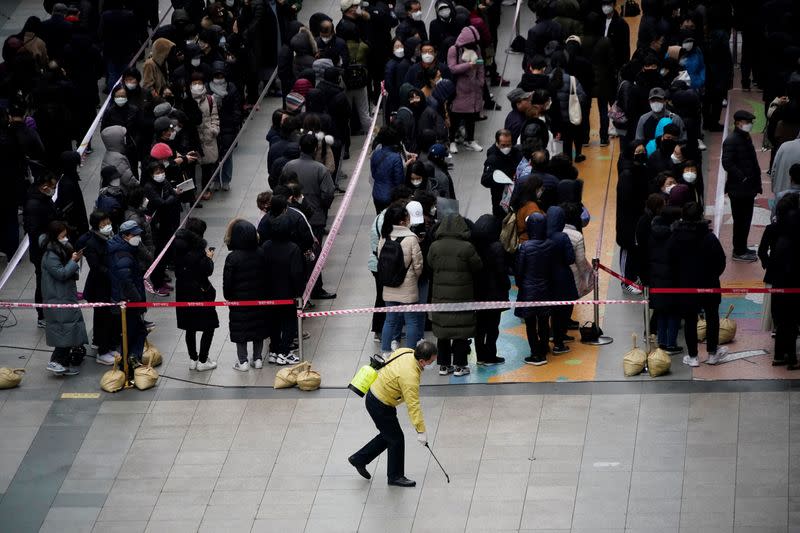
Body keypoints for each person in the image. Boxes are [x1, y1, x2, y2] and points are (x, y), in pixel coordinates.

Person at [348, 341, 438, 487]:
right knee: (396, 438)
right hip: (380, 404)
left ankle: (359, 459)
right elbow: (413, 405)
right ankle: (395, 477)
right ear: (422, 361)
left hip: (377, 395)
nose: (432, 364)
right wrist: (420, 430)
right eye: (431, 361)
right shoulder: (410, 377)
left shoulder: (407, 351)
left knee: (388, 435)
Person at [668, 202, 727, 367]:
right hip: (709, 284)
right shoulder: (709, 238)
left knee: (690, 320)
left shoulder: (675, 237)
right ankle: (712, 353)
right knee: (712, 316)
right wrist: (713, 276)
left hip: (685, 286)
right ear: (701, 216)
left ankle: (693, 356)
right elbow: (721, 261)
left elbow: (670, 260)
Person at [427, 213, 482, 377]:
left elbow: (430, 263)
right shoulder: (467, 247)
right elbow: (478, 266)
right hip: (462, 295)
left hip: (440, 295)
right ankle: (460, 366)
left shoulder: (435, 246)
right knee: (460, 331)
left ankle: (444, 365)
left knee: (443, 330)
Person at [40, 220, 88, 375]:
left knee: (68, 330)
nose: (65, 238)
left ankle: (63, 362)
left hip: (64, 296)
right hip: (58, 298)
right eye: (63, 236)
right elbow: (61, 274)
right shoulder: (50, 255)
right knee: (64, 331)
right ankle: (56, 361)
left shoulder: (60, 249)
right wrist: (73, 261)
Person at [261, 199, 305, 365]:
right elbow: (297, 273)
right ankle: (285, 352)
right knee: (289, 322)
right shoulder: (293, 249)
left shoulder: (265, 246)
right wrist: (299, 292)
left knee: (273, 322)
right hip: (287, 294)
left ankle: (273, 350)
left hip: (269, 292)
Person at [377, 205, 425, 356]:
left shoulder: (384, 237)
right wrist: (414, 278)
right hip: (408, 285)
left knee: (390, 320)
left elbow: (380, 260)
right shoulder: (411, 239)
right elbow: (418, 264)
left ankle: (385, 351)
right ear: (403, 221)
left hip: (389, 285)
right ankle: (408, 353)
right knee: (411, 320)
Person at [223, 219, 270, 371]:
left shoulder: (233, 257)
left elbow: (227, 282)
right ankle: (257, 359)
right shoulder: (261, 252)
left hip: (239, 301)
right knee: (258, 329)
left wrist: (229, 297)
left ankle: (242, 361)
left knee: (241, 331)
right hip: (260, 299)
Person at [173, 218, 219, 372]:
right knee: (209, 326)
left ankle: (193, 358)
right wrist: (209, 258)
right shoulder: (198, 250)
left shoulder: (178, 246)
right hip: (200, 292)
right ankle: (203, 360)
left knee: (189, 327)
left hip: (182, 291)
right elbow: (207, 270)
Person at [76, 211, 118, 365]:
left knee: (109, 317)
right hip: (100, 286)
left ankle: (107, 345)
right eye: (103, 224)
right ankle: (103, 351)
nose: (107, 226)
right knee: (103, 318)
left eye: (108, 222)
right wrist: (113, 272)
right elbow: (96, 267)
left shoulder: (109, 237)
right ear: (96, 226)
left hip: (109, 284)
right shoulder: (93, 243)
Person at [722, 109, 762, 262]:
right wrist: (743, 177)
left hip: (747, 189)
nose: (750, 125)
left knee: (745, 221)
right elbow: (727, 163)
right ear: (738, 123)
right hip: (739, 189)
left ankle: (742, 247)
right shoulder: (732, 140)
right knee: (741, 221)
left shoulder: (745, 137)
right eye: (748, 122)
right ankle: (738, 251)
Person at [515, 212, 554, 366]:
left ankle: (535, 353)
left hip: (528, 291)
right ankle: (544, 346)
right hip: (546, 289)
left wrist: (521, 285)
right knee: (544, 321)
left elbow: (519, 270)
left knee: (530, 324)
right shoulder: (550, 244)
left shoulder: (525, 247)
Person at [108, 220, 148, 368]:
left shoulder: (126, 248)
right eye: (134, 235)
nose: (138, 237)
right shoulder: (123, 254)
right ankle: (130, 360)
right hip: (128, 299)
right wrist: (137, 300)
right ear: (125, 235)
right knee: (135, 331)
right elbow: (126, 280)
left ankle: (130, 359)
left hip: (126, 298)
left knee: (133, 331)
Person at [471, 214, 509, 365]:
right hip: (495, 295)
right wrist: (506, 285)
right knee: (493, 327)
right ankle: (491, 355)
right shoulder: (497, 247)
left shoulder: (473, 246)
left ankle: (480, 356)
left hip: (478, 293)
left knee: (480, 327)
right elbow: (502, 272)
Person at [23, 175, 60, 327]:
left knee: (51, 282)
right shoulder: (34, 205)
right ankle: (42, 315)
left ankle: (51, 310)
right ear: (44, 186)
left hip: (50, 248)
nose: (53, 190)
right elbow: (33, 230)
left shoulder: (44, 199)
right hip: (41, 252)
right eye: (52, 187)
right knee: (42, 283)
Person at [447, 26, 485, 152]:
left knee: (471, 117)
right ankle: (451, 141)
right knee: (455, 117)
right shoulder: (454, 50)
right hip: (459, 89)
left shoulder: (477, 48)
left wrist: (481, 81)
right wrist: (468, 65)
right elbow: (452, 68)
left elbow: (480, 65)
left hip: (473, 88)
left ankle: (470, 140)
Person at [371, 127, 417, 213]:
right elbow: (399, 181)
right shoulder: (395, 158)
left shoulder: (375, 154)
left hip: (376, 193)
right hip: (390, 197)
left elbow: (373, 174)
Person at [481, 129, 522, 219]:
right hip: (499, 197)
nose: (506, 148)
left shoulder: (516, 153)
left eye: (509, 145)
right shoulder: (492, 158)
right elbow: (484, 180)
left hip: (515, 197)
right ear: (497, 143)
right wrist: (499, 177)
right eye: (503, 145)